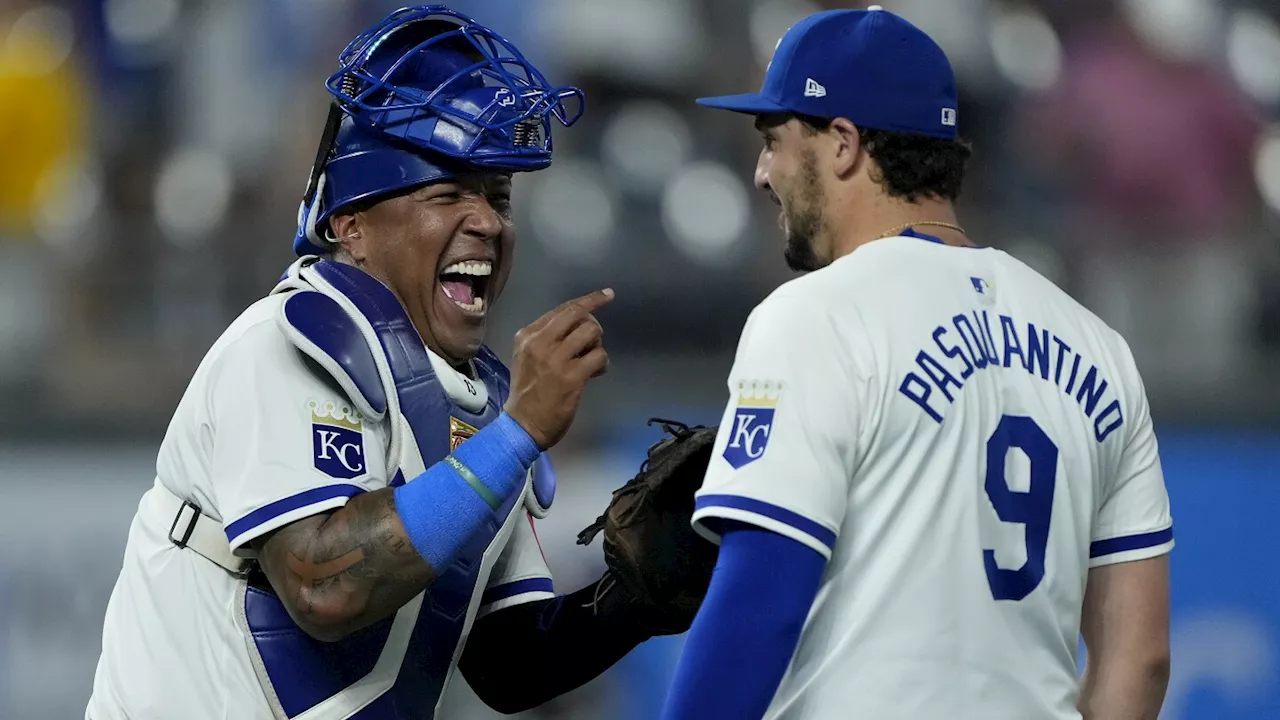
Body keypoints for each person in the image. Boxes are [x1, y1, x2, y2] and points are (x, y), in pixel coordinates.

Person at [87, 6, 693, 719]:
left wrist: (643, 590)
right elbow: (322, 587)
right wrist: (518, 435)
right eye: (449, 193)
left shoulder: (484, 403)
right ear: (352, 223)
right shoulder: (284, 346)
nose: (489, 221)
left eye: (498, 196)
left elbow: (510, 664)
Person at [662, 8, 1174, 720]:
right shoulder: (1098, 346)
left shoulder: (817, 314)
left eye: (774, 140)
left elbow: (758, 610)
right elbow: (1138, 661)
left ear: (842, 143)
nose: (761, 173)